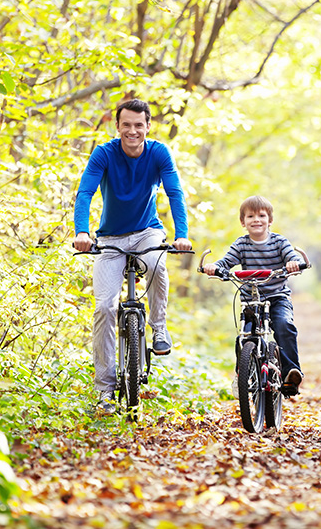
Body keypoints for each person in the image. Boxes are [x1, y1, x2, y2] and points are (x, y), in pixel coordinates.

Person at [73, 99, 192, 415]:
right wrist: (82, 232)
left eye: (139, 125)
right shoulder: (104, 154)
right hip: (110, 238)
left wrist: (181, 235)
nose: (132, 131)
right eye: (126, 124)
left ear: (148, 126)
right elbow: (85, 192)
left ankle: (159, 326)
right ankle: (104, 392)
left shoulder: (159, 153)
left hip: (146, 232)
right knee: (104, 307)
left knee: (156, 264)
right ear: (118, 126)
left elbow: (175, 193)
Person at [202, 196, 306, 397]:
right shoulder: (241, 245)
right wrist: (215, 267)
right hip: (251, 298)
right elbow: (226, 262)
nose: (256, 219)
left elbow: (293, 257)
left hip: (277, 296)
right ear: (243, 222)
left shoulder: (279, 241)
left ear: (270, 220)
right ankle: (243, 374)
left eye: (261, 215)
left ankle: (291, 374)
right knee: (245, 336)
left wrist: (294, 263)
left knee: (284, 326)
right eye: (250, 216)